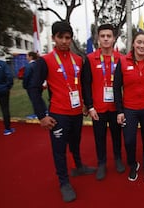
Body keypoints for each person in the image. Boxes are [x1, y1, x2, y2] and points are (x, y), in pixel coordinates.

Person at [29, 21, 96, 202]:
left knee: (75, 142)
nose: (65, 41)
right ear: (53, 38)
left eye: (68, 38)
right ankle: (64, 182)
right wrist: (42, 115)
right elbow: (34, 88)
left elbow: (82, 84)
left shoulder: (79, 60)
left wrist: (84, 103)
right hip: (58, 114)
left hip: (76, 114)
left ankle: (79, 166)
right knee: (59, 150)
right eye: (61, 37)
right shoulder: (45, 61)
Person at [83, 24, 125, 181]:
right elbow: (86, 84)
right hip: (98, 108)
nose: (106, 39)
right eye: (103, 36)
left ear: (114, 38)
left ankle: (118, 158)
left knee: (116, 135)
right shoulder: (89, 59)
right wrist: (90, 106)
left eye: (109, 36)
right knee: (99, 137)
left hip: (116, 107)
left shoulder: (121, 59)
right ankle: (101, 163)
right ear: (98, 38)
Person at [114, 31, 144, 183]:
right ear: (133, 43)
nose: (142, 46)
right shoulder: (123, 61)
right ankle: (133, 164)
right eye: (139, 42)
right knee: (129, 140)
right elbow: (116, 87)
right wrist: (119, 110)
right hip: (129, 109)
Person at [0, 58, 14, 136]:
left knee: (5, 109)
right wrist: (8, 86)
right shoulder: (3, 64)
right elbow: (9, 76)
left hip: (2, 88)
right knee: (5, 109)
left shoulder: (2, 64)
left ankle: (7, 128)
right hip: (3, 89)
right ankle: (7, 129)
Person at [23, 51, 38, 119]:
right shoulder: (38, 64)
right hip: (38, 85)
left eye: (27, 56)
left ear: (31, 57)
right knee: (38, 99)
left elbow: (26, 76)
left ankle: (36, 114)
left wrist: (25, 85)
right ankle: (44, 111)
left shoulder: (29, 66)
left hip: (31, 86)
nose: (26, 58)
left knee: (34, 100)